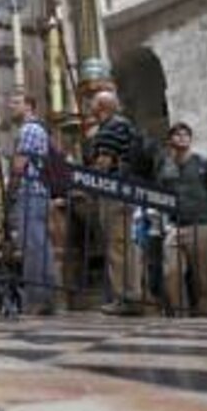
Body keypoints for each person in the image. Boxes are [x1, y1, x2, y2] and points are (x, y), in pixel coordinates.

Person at [156, 122, 207, 317]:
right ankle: (181, 313)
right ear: (170, 139)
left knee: (204, 275)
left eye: (186, 134)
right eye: (177, 134)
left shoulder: (203, 162)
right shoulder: (166, 165)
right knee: (171, 271)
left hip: (201, 224)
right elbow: (159, 193)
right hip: (175, 224)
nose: (182, 137)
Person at [90, 90, 141, 315]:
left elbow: (103, 164)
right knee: (125, 244)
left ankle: (125, 298)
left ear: (102, 106)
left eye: (92, 102)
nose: (89, 106)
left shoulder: (112, 127)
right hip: (126, 192)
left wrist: (84, 175)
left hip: (115, 193)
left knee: (117, 246)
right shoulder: (122, 124)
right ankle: (131, 295)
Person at [10, 94, 56, 315]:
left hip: (31, 192)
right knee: (41, 244)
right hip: (39, 192)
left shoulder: (29, 129)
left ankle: (37, 300)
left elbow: (20, 163)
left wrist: (11, 187)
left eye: (16, 103)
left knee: (33, 247)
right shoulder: (40, 129)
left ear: (29, 106)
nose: (12, 106)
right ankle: (45, 297)